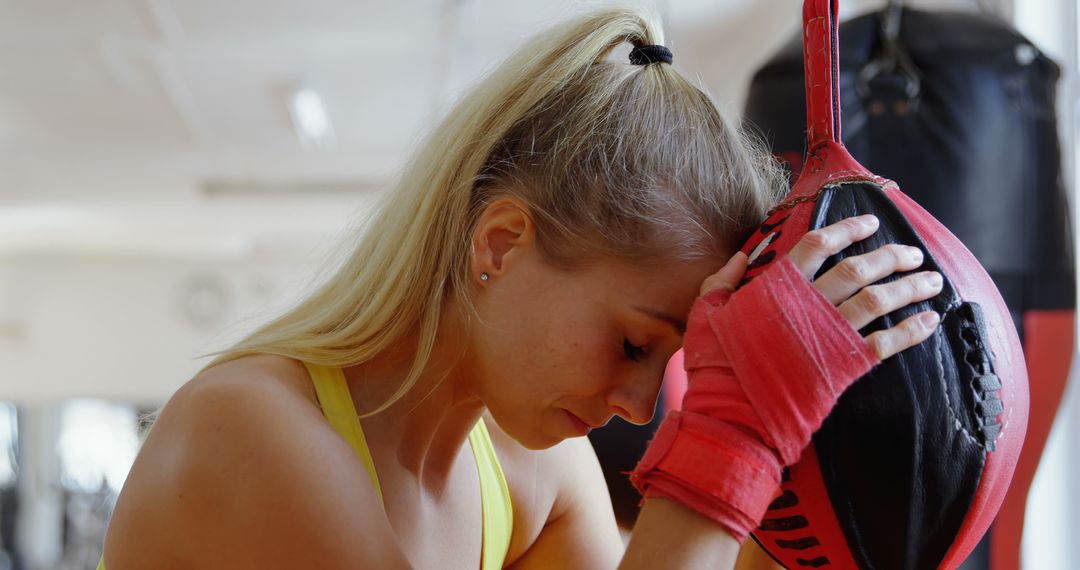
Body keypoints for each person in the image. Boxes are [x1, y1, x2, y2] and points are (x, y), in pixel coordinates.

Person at [99, 8, 942, 569]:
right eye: (634, 342)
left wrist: (812, 454)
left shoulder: (532, 475)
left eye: (676, 359)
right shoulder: (249, 428)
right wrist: (738, 436)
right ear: (501, 245)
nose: (644, 405)